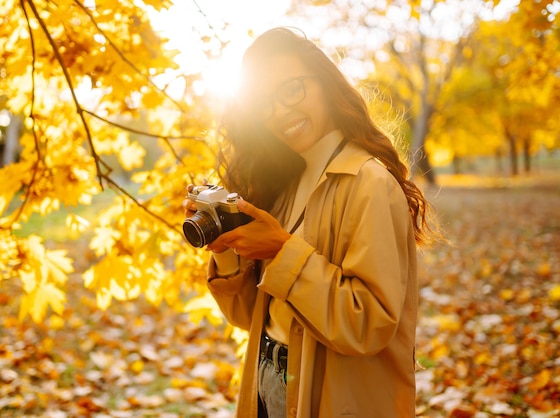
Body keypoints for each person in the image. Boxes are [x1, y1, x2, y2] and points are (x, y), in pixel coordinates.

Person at [182, 27, 436, 418]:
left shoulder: (369, 182)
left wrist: (282, 251)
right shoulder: (285, 184)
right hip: (267, 380)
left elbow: (368, 323)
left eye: (292, 89)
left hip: (333, 395)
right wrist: (228, 251)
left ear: (326, 84)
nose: (282, 111)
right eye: (265, 103)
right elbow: (247, 317)